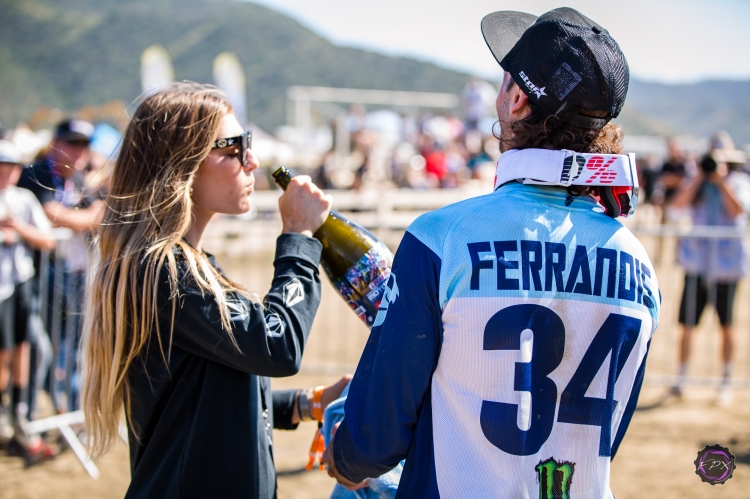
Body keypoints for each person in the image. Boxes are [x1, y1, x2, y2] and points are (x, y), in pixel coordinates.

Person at [323, 8, 660, 498]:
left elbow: (377, 435)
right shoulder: (639, 265)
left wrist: (346, 456)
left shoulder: (441, 236)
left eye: (504, 82)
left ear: (517, 99)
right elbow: (607, 432)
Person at [81, 82, 349, 499]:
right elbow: (276, 346)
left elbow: (202, 398)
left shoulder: (185, 263)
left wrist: (302, 404)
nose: (252, 160)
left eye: (250, 144)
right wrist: (298, 237)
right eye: (233, 150)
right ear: (180, 167)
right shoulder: (163, 269)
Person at [17, 118, 104, 414]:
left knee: (75, 343)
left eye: (84, 144)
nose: (79, 150)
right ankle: (33, 410)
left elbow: (101, 212)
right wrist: (87, 217)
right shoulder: (35, 174)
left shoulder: (78, 179)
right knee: (42, 346)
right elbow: (52, 215)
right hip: (38, 274)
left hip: (77, 271)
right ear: (56, 142)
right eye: (73, 142)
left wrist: (86, 216)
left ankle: (68, 408)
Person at [669, 133, 749, 405]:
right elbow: (676, 206)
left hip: (726, 267)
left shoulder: (739, 182)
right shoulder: (697, 183)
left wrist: (722, 180)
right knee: (687, 324)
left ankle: (725, 381)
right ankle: (681, 378)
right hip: (698, 264)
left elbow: (739, 210)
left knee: (727, 325)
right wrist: (701, 178)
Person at [0, 140, 56, 463]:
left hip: (19, 283)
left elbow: (47, 239)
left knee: (23, 347)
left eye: (11, 167)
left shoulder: (23, 200)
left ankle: (18, 411)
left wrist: (18, 230)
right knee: (5, 350)